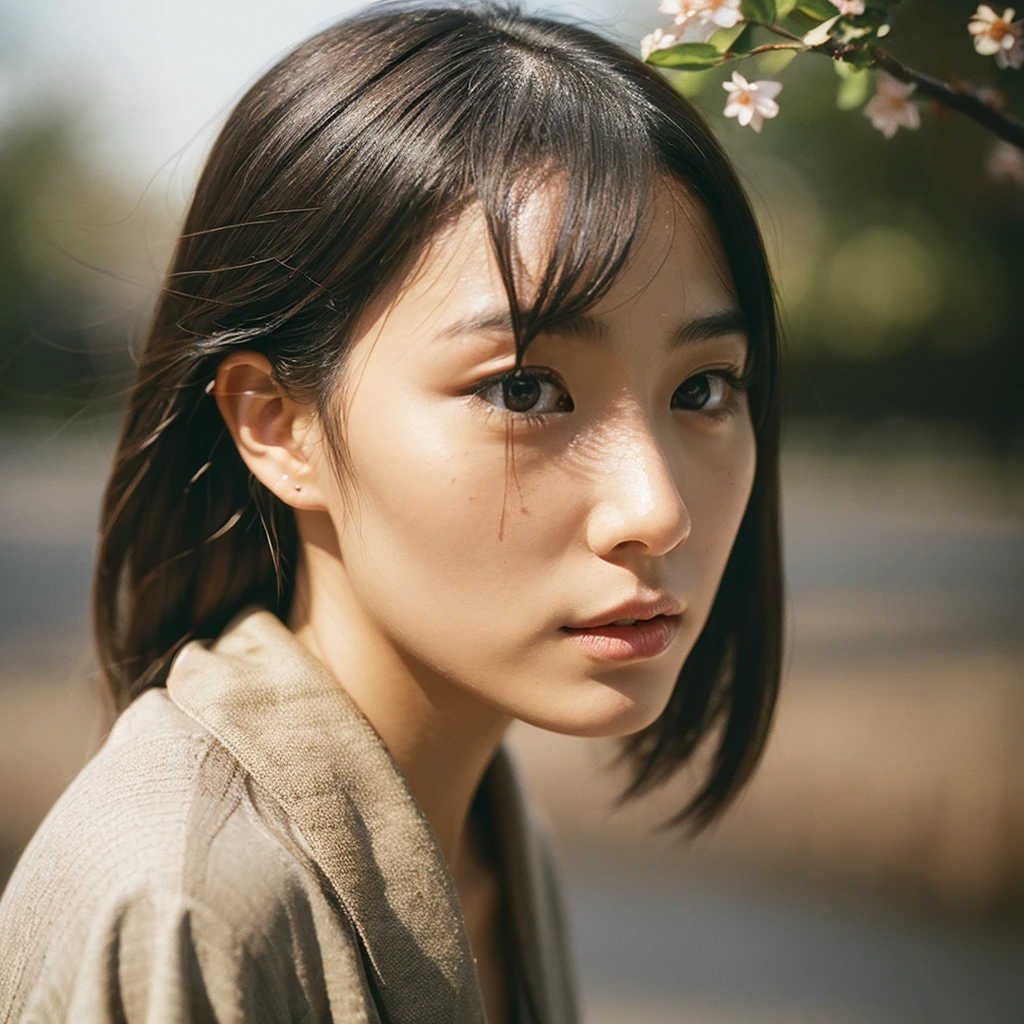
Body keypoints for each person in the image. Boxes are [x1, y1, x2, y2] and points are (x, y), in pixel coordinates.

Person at [0, 1, 782, 1021]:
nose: (657, 507)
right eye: (522, 390)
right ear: (278, 426)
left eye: (703, 389)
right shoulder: (189, 908)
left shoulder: (488, 830)